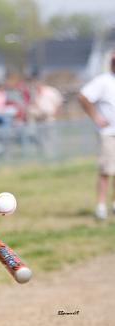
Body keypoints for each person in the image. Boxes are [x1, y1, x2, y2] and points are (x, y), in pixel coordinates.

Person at [78, 53, 115, 219]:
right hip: (109, 134)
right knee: (106, 170)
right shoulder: (104, 81)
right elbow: (83, 96)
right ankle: (101, 206)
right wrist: (96, 117)